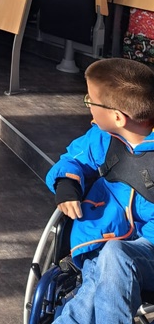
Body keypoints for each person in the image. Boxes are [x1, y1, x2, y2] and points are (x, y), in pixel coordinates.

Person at [46, 58, 154, 323]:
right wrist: (67, 183)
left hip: (147, 251)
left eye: (90, 101)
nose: (88, 107)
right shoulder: (102, 139)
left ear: (117, 117)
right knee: (101, 272)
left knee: (114, 256)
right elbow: (73, 160)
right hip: (103, 242)